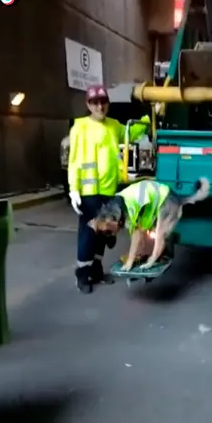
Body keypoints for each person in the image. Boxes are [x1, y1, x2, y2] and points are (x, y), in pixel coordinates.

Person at [66, 84, 148, 294]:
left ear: (108, 103)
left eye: (103, 102)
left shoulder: (114, 126)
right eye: (95, 103)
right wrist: (73, 188)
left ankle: (96, 270)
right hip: (88, 192)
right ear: (88, 105)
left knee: (103, 233)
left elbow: (133, 131)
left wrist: (150, 117)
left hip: (109, 190)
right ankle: (82, 276)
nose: (100, 107)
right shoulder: (80, 127)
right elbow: (74, 160)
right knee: (89, 232)